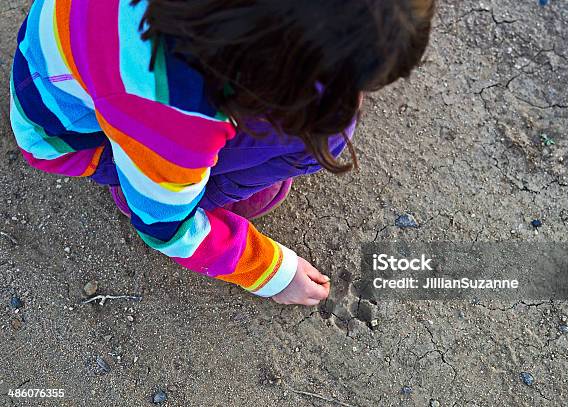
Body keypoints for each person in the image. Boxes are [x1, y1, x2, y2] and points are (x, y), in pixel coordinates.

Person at [9, 0, 434, 305]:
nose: (358, 97)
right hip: (69, 138)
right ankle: (140, 186)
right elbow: (163, 227)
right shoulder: (174, 109)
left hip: (63, 58)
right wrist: (271, 271)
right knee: (326, 135)